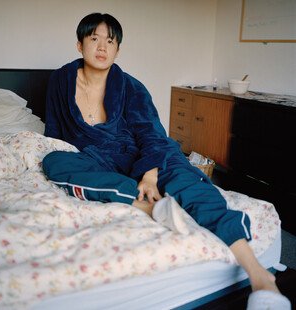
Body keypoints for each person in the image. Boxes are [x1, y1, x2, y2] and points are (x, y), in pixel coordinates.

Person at [42, 13, 290, 309]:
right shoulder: (61, 80)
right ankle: (151, 207)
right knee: (54, 161)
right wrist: (64, 154)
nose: (102, 47)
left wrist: (149, 174)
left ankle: (260, 276)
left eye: (110, 41)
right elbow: (54, 134)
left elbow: (153, 136)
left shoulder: (132, 87)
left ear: (118, 49)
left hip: (145, 152)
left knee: (185, 179)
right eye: (94, 38)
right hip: (97, 157)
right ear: (79, 44)